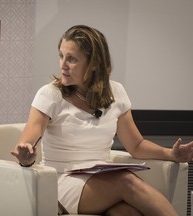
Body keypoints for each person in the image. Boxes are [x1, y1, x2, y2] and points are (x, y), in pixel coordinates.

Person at [11, 25, 193, 216]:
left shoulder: (116, 92)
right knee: (127, 181)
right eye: (61, 56)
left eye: (71, 59)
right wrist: (26, 156)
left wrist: (171, 154)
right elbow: (27, 141)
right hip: (60, 181)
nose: (62, 65)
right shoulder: (50, 94)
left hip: (101, 179)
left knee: (126, 212)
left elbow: (136, 145)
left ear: (95, 63)